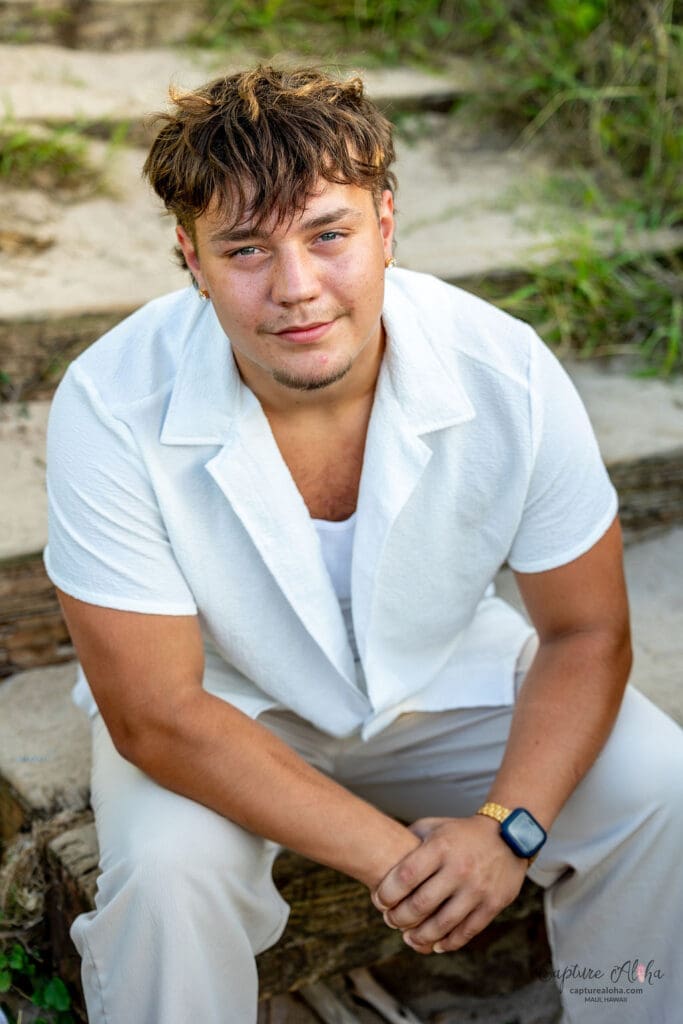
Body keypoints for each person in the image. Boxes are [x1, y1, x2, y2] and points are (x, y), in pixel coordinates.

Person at [44, 66, 682, 1024]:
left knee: (659, 791)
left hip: (441, 675)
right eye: (246, 249)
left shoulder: (501, 369)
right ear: (190, 256)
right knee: (169, 881)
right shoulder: (108, 403)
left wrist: (504, 829)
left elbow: (586, 633)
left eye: (328, 235)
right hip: (223, 706)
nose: (296, 289)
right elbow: (159, 716)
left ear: (386, 225)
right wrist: (408, 862)